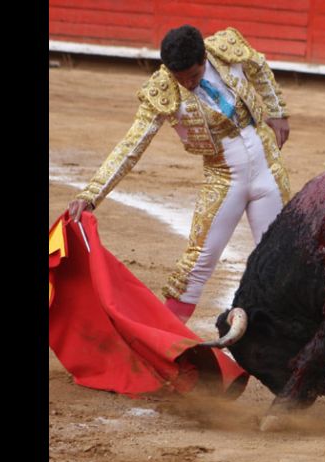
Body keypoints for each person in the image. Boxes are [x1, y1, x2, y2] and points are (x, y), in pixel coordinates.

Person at [67, 24, 292, 323]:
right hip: (224, 179)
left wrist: (276, 110)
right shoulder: (163, 90)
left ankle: (280, 345)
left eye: (194, 76)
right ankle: (165, 343)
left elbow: (259, 66)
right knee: (196, 265)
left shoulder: (225, 49)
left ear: (204, 60)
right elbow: (131, 146)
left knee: (282, 259)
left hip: (269, 169)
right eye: (179, 78)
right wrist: (91, 193)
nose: (187, 84)